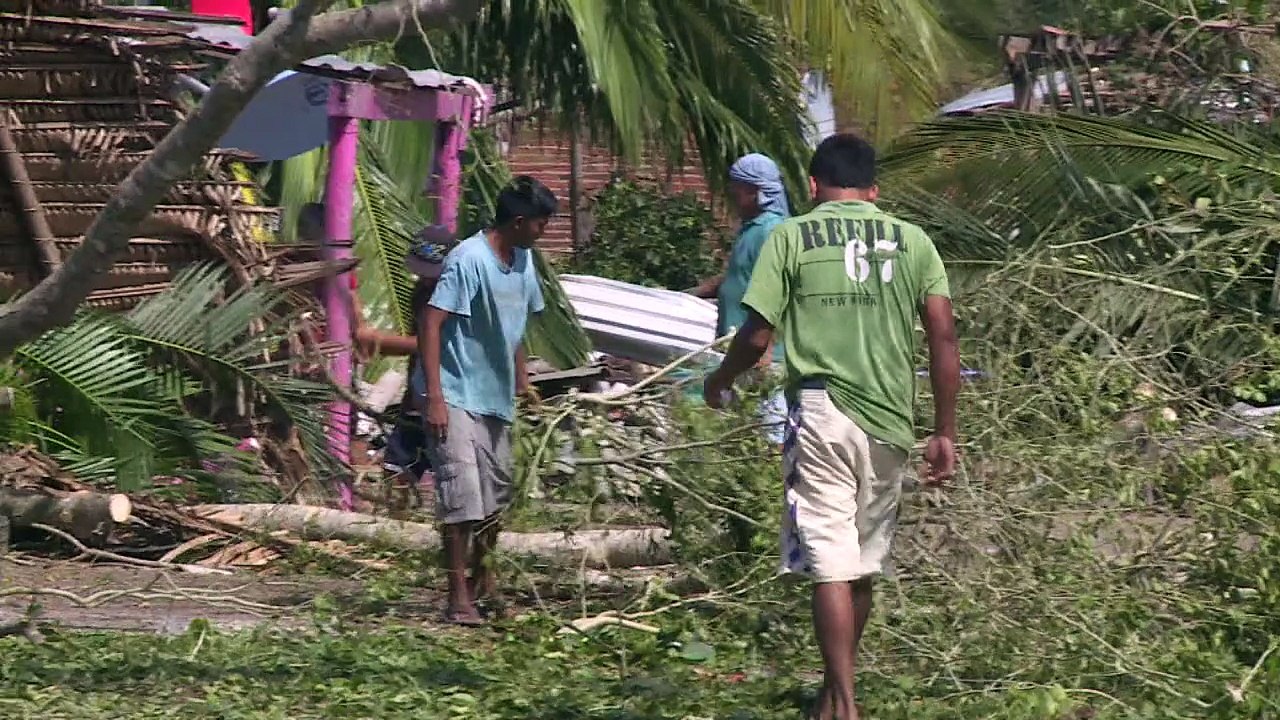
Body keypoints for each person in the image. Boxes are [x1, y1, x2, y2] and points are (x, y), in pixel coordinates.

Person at [702, 134, 960, 720]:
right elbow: (944, 338)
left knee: (829, 563)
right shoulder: (914, 242)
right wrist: (944, 430)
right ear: (874, 190)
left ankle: (843, 704)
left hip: (821, 412)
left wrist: (720, 380)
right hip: (892, 419)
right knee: (862, 563)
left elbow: (758, 335)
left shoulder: (791, 236)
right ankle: (833, 693)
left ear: (813, 186)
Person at [420, 176, 554, 626]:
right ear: (518, 221)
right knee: (462, 502)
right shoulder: (468, 260)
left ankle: (485, 583)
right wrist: (435, 397)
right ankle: (458, 598)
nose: (544, 232)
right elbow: (431, 324)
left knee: (495, 502)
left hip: (495, 396)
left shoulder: (524, 260)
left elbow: (513, 324)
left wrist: (522, 380)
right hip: (455, 392)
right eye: (540, 224)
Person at [689, 153, 791, 444]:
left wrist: (766, 348)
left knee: (769, 435)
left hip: (763, 356)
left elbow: (780, 289)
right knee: (743, 434)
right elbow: (736, 276)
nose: (733, 197)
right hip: (741, 350)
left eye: (738, 190)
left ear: (756, 191)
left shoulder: (773, 231)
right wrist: (693, 293)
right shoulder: (752, 229)